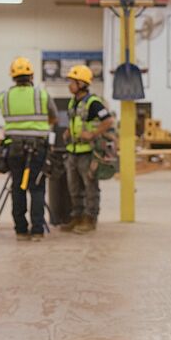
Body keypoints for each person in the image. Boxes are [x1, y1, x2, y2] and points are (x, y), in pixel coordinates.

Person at [0, 56, 57, 241]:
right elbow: (53, 117)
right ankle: (37, 230)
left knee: (18, 188)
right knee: (37, 188)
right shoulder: (41, 94)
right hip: (37, 147)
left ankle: (21, 230)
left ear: (13, 77)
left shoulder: (4, 96)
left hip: (14, 148)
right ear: (31, 76)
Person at [64, 64, 114, 234]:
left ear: (82, 84)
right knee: (74, 188)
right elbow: (75, 122)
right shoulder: (73, 102)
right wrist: (67, 132)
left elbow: (108, 121)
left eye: (72, 81)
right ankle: (77, 217)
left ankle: (90, 219)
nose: (69, 85)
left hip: (88, 152)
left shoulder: (94, 103)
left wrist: (93, 134)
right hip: (73, 151)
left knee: (90, 187)